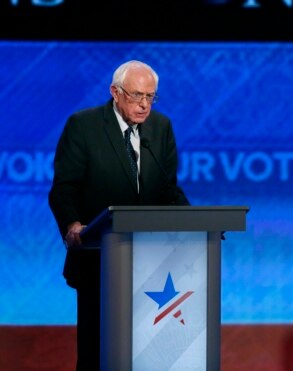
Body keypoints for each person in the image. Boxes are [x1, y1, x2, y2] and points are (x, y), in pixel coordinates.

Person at [48, 60, 190, 370]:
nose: (144, 105)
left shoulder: (161, 127)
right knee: (97, 355)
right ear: (115, 92)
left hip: (152, 261)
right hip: (100, 259)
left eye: (150, 96)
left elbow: (169, 189)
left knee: (147, 355)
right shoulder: (83, 126)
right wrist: (72, 225)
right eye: (137, 95)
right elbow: (63, 188)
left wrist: (193, 226)